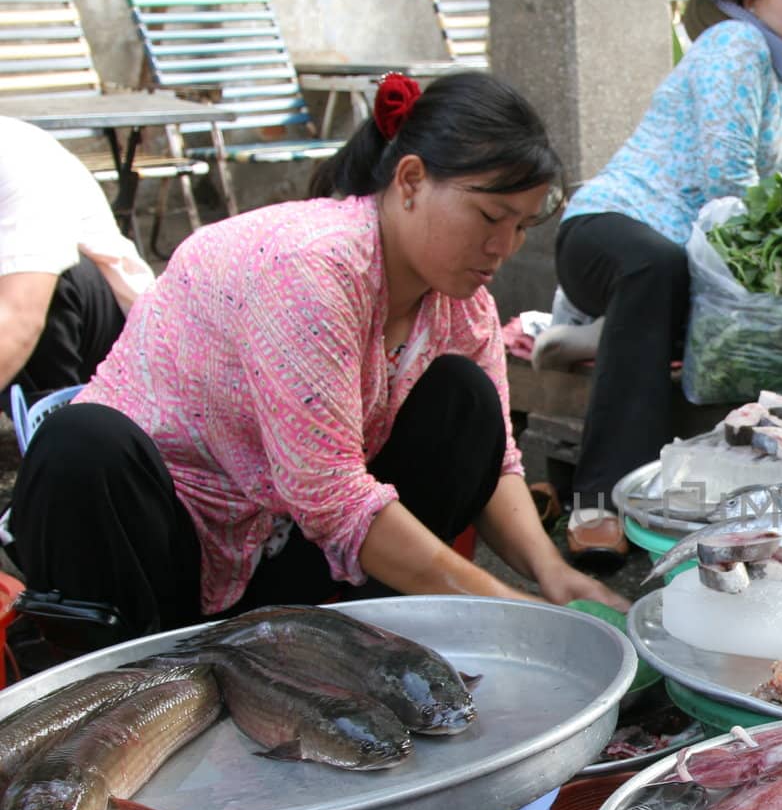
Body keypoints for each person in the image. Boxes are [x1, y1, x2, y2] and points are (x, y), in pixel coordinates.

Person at [7, 70, 627, 648]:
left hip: (274, 546)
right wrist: (510, 611)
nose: (504, 246)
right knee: (84, 442)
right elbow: (331, 496)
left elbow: (500, 465)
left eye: (521, 226)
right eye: (490, 216)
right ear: (410, 180)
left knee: (465, 399)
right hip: (158, 540)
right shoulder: (310, 268)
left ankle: (351, 653)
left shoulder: (462, 307)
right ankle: (135, 683)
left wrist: (551, 574)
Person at [554, 0, 782, 565]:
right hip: (610, 234)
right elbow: (728, 188)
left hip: (699, 270)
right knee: (656, 264)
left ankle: (601, 337)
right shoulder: (736, 45)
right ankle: (598, 500)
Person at [0, 116, 154, 398]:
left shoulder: (19, 157)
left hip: (110, 342)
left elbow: (22, 316)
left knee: (55, 280)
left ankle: (57, 423)